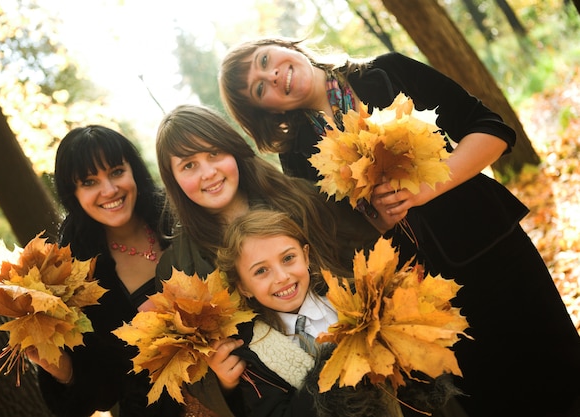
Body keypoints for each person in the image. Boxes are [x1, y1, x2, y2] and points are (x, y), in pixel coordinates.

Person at [218, 37, 580, 416]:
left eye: (265, 60)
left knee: (560, 365)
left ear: (284, 46)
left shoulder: (386, 74)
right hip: (419, 300)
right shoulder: (297, 158)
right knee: (494, 398)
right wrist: (378, 220)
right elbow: (340, 242)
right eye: (260, 88)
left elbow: (493, 129)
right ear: (266, 111)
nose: (273, 75)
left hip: (490, 247)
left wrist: (427, 188)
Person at [153, 104, 384, 417]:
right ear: (174, 180)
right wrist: (225, 382)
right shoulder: (178, 268)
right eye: (188, 165)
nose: (208, 172)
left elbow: (371, 254)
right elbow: (191, 371)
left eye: (213, 154)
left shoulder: (299, 198)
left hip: (377, 361)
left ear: (233, 151)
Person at [211, 208, 464, 417]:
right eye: (261, 271)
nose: (282, 277)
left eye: (288, 258)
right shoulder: (254, 354)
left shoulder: (359, 299)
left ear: (306, 255)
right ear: (243, 287)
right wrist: (335, 368)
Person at [27, 126, 182, 417]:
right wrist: (62, 370)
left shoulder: (178, 215)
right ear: (73, 194)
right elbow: (105, 393)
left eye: (115, 172)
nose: (109, 190)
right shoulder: (74, 277)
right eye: (89, 181)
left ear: (132, 170)